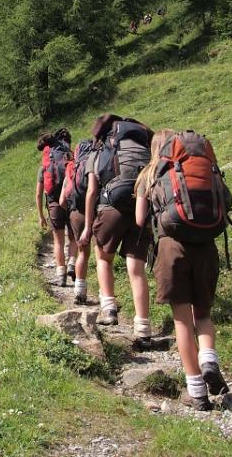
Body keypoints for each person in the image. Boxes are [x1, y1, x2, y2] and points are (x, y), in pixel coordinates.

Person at [135, 129, 230, 412]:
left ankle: (197, 392)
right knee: (203, 313)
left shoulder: (149, 174)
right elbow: (227, 201)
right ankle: (209, 359)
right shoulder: (196, 167)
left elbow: (140, 220)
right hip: (206, 246)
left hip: (171, 247)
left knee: (182, 320)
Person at [79, 114, 153, 348]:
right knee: (136, 269)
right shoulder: (143, 148)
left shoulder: (98, 152)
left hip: (110, 208)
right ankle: (143, 328)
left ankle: (108, 308)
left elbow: (91, 192)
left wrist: (89, 225)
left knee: (103, 258)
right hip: (142, 209)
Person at [57, 138, 95, 304]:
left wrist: (72, 210)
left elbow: (61, 202)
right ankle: (107, 296)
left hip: (77, 214)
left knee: (83, 253)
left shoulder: (72, 169)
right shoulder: (96, 165)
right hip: (97, 213)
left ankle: (80, 290)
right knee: (102, 257)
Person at [35, 129, 75, 286]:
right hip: (72, 203)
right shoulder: (71, 158)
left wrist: (41, 216)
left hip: (54, 205)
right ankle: (72, 262)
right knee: (73, 238)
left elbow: (38, 194)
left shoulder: (45, 165)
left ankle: (61, 274)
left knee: (58, 241)